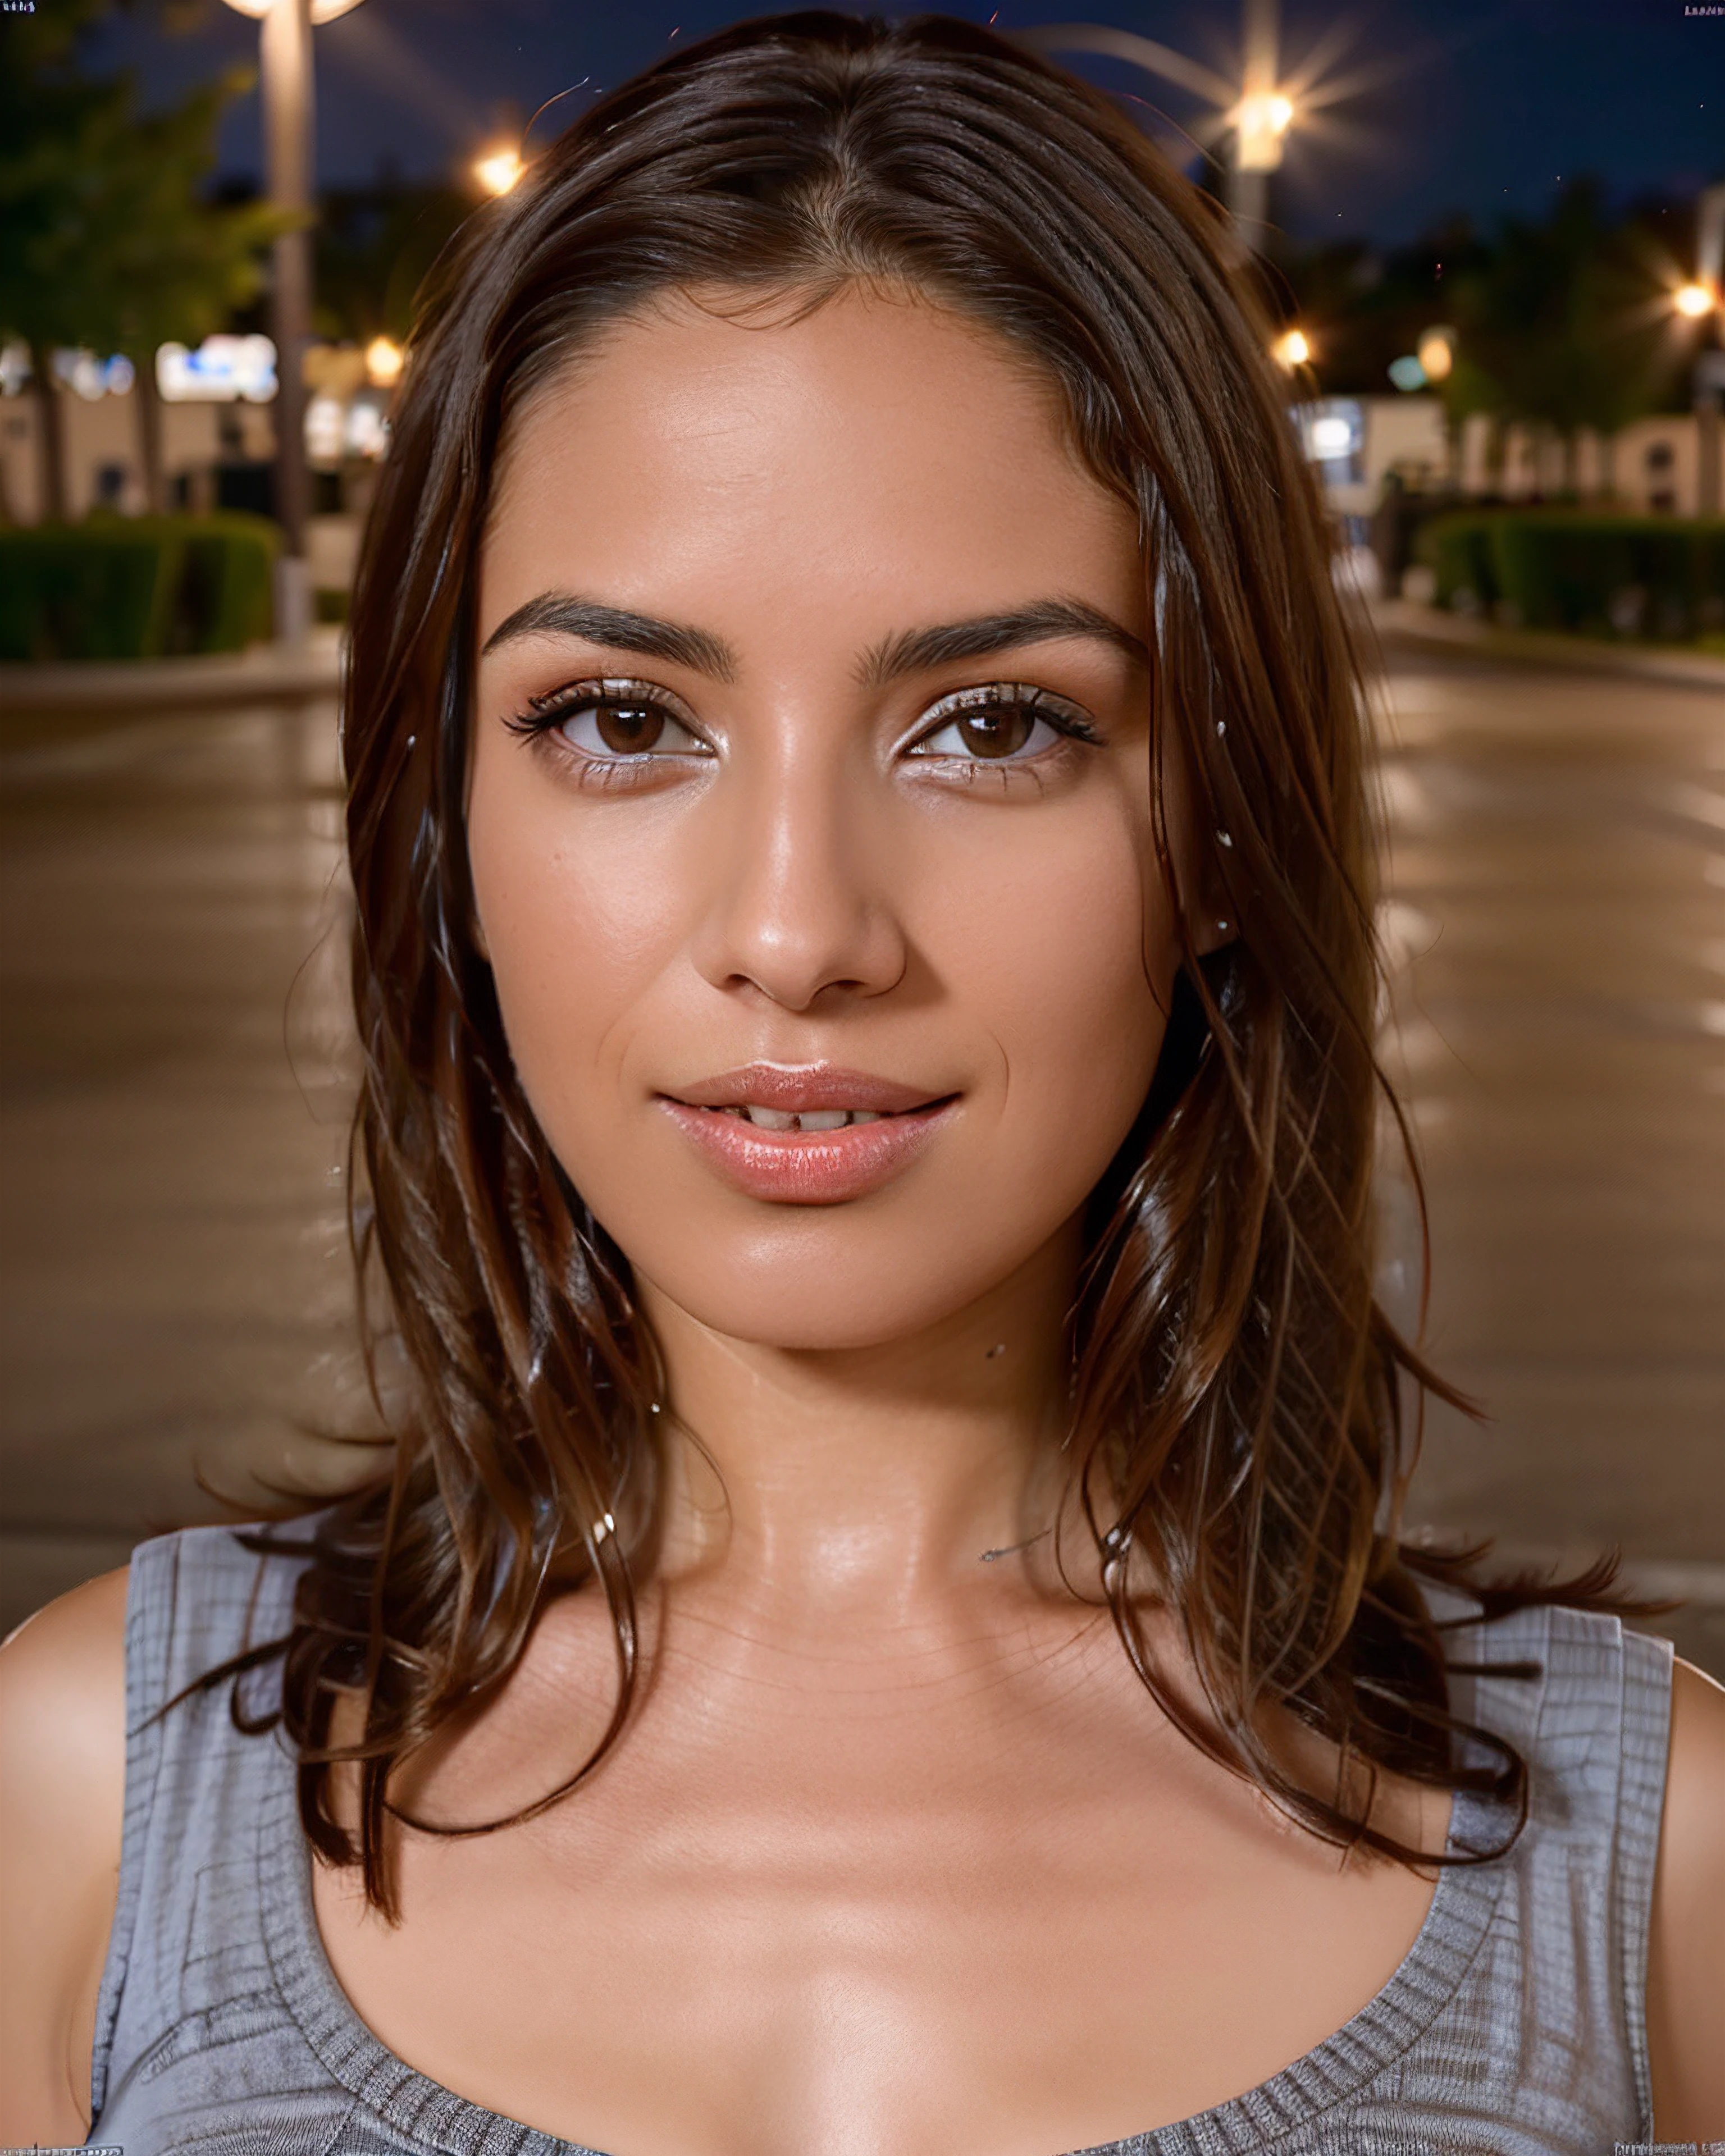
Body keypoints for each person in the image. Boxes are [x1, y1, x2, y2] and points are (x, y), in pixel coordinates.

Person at [2, 14, 1720, 2152]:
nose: (803, 927)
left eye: (993, 724)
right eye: (623, 719)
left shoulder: (1656, 1875)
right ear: (440, 823)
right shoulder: (82, 1800)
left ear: (1217, 825)